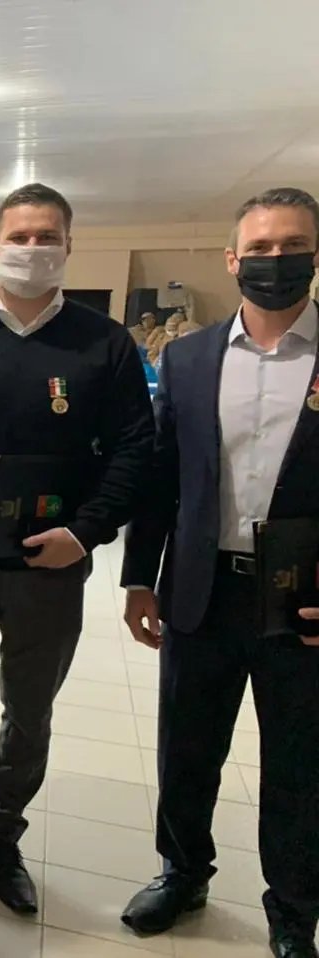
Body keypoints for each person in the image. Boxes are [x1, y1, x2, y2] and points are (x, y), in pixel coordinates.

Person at [0, 183, 153, 915]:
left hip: (50, 569)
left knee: (30, 709)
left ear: (69, 246)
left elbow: (135, 449)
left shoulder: (103, 342)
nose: (32, 248)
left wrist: (85, 533)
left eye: (47, 236)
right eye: (19, 236)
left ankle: (3, 834)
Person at [119, 187, 319, 958]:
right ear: (233, 259)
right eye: (260, 248)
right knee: (187, 747)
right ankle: (182, 872)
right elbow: (162, 479)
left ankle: (294, 909)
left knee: (299, 761)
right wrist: (139, 578)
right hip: (202, 589)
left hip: (302, 600)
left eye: (292, 245)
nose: (276, 260)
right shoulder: (191, 357)